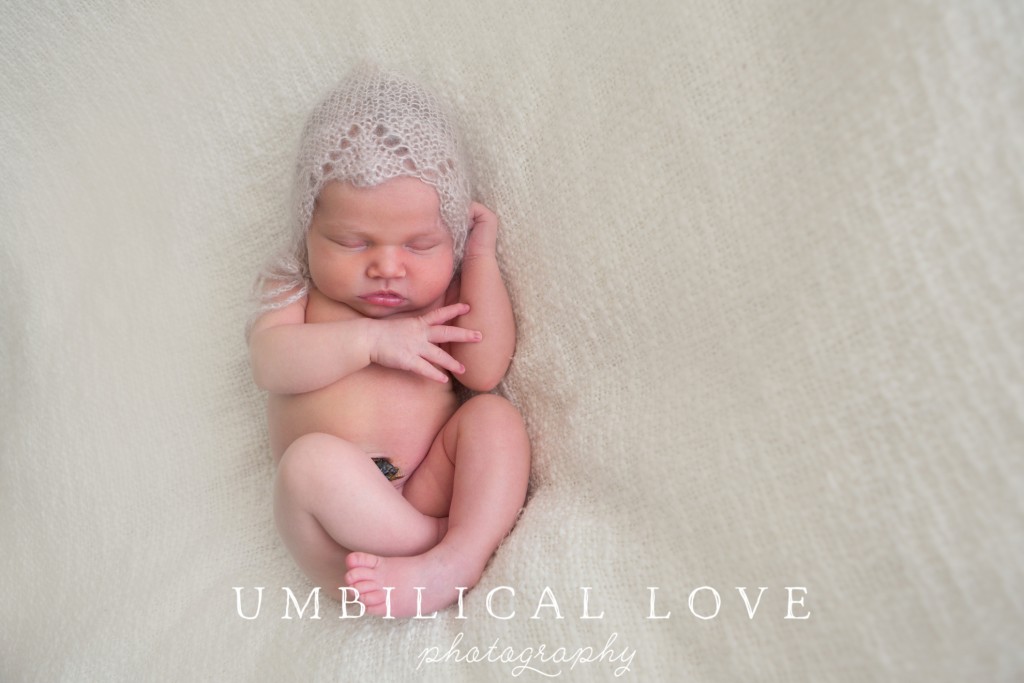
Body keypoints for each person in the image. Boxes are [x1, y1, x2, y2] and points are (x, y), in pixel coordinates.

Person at [247, 64, 530, 617]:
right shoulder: (294, 284)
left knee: (495, 420)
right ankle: (442, 540)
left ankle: (455, 558)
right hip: (335, 526)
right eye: (352, 243)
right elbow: (270, 364)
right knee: (307, 464)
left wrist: (477, 260)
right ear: (307, 228)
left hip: (427, 479)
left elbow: (484, 369)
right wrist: (370, 342)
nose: (387, 267)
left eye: (421, 245)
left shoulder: (442, 293)